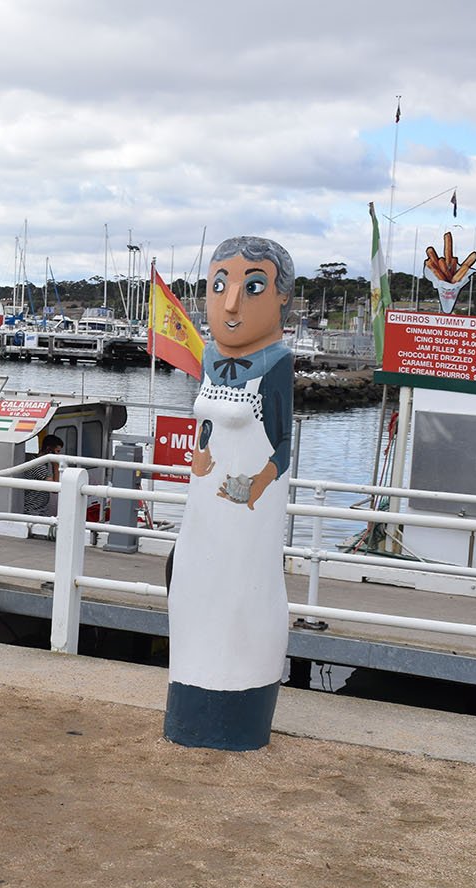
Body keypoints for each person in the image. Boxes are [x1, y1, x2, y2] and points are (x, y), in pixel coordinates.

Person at [164, 235, 295, 751]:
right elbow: (207, 428)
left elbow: (282, 446)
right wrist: (200, 453)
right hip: (203, 516)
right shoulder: (210, 359)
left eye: (251, 286)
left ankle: (238, 714)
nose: (231, 302)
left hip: (246, 520)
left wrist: (256, 485)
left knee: (244, 602)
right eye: (219, 285)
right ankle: (189, 708)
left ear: (282, 296)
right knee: (191, 593)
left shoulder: (277, 364)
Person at [21, 435, 64, 536]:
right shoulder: (38, 466)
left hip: (39, 509)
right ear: (49, 450)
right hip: (33, 510)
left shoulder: (39, 463)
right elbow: (55, 488)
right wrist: (56, 465)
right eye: (57, 451)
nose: (59, 455)